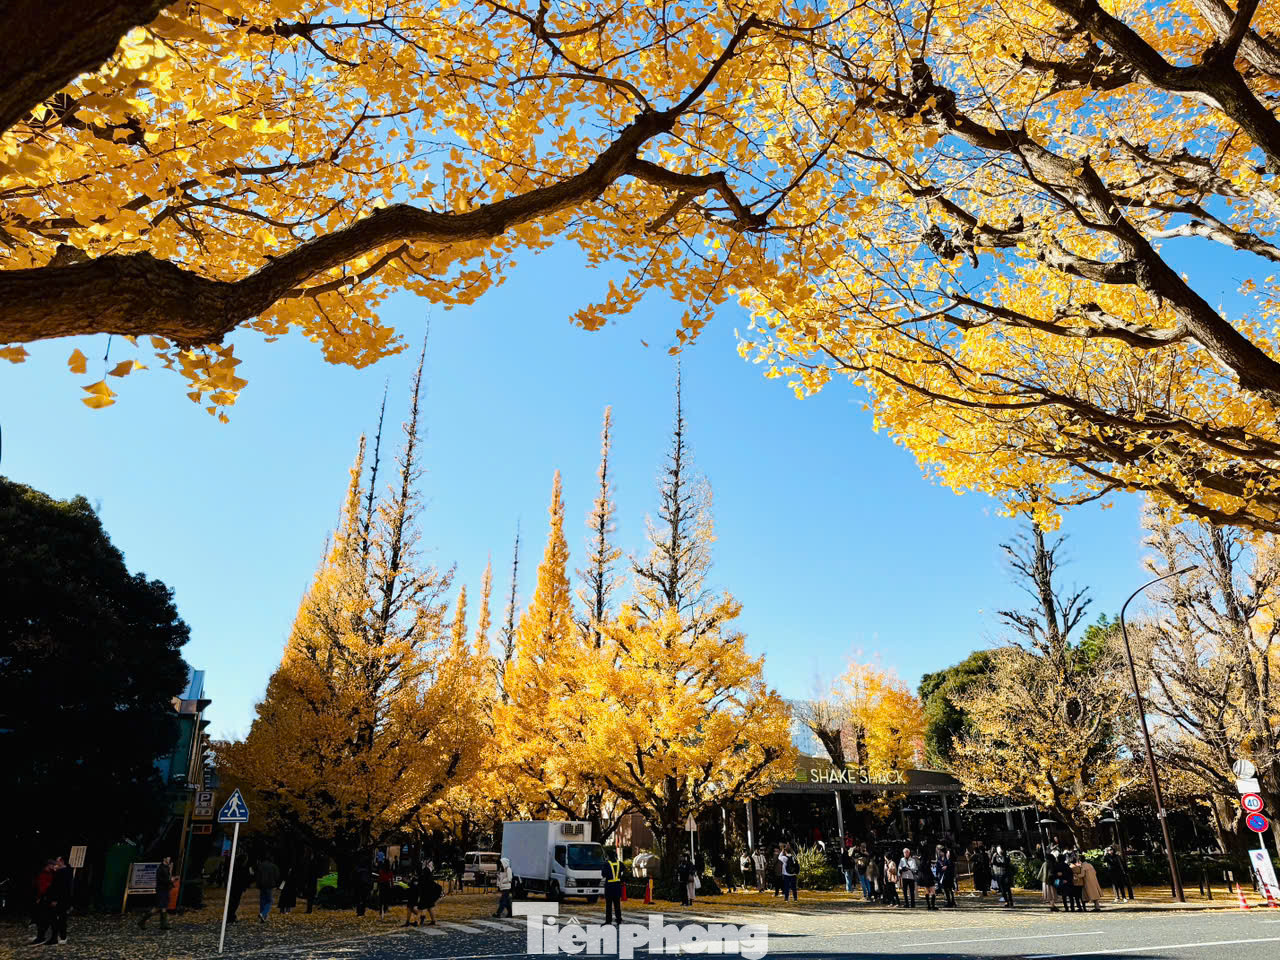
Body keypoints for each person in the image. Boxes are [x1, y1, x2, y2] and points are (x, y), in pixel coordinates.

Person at [40, 857, 72, 944]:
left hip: (60, 899)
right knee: (60, 918)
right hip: (62, 899)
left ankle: (58, 937)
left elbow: (59, 888)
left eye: (57, 861)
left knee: (58, 918)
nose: (56, 863)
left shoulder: (62, 872)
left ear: (61, 861)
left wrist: (55, 899)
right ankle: (60, 937)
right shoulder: (65, 871)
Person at [138, 856, 173, 931]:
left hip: (164, 890)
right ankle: (142, 921)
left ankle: (163, 924)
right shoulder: (161, 869)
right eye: (168, 858)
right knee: (158, 907)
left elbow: (166, 879)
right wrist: (171, 881)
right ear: (164, 859)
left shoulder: (166, 868)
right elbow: (162, 880)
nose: (169, 860)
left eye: (169, 859)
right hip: (161, 890)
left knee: (163, 906)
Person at [31, 859, 56, 945]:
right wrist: (39, 897)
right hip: (44, 898)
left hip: (47, 898)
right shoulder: (44, 874)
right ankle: (41, 936)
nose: (54, 867)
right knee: (42, 919)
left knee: (46, 919)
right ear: (49, 865)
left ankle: (43, 936)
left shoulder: (51, 873)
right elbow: (42, 887)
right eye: (53, 865)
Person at [227, 851, 251, 923]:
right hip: (238, 887)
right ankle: (230, 916)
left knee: (232, 902)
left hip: (234, 886)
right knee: (234, 902)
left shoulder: (234, 866)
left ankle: (230, 916)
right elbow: (245, 878)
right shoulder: (242, 868)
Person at [603, 850, 625, 925]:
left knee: (608, 905)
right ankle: (618, 919)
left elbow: (603, 874)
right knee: (617, 904)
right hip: (617, 886)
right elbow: (624, 870)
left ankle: (608, 921)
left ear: (608, 856)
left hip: (609, 886)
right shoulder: (620, 863)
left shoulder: (606, 864)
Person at [256, 854, 280, 922]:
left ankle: (262, 915)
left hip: (262, 885)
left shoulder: (261, 865)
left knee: (262, 900)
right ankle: (263, 914)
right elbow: (277, 876)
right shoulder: (274, 866)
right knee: (269, 901)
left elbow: (258, 876)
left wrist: (258, 884)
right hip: (270, 885)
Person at [417, 860, 441, 925]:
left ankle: (419, 920)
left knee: (422, 908)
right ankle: (433, 920)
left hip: (424, 894)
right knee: (430, 907)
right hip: (430, 894)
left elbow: (420, 885)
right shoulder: (430, 878)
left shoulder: (422, 877)